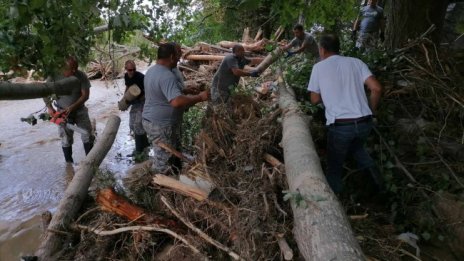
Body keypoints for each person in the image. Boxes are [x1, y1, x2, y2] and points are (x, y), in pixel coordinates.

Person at [307, 33, 384, 195]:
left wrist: (328, 95)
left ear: (322, 50)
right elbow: (376, 88)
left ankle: (336, 203)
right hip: (364, 123)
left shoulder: (318, 68)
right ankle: (380, 188)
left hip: (341, 126)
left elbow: (314, 99)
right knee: (357, 148)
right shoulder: (356, 62)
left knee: (334, 165)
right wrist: (372, 110)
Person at [142, 42, 209, 174]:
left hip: (154, 121)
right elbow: (177, 102)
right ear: (172, 57)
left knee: (172, 153)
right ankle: (161, 186)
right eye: (178, 54)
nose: (180, 57)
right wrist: (200, 97)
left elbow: (162, 91)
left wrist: (183, 89)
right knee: (163, 162)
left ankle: (175, 176)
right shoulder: (166, 75)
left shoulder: (152, 71)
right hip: (161, 125)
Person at [44, 57, 94, 163]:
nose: (74, 71)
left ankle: (91, 162)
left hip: (80, 110)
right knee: (65, 139)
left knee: (87, 134)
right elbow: (44, 92)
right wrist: (50, 108)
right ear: (63, 67)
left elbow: (85, 96)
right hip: (62, 112)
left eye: (76, 68)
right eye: (72, 68)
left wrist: (72, 107)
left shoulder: (81, 75)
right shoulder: (53, 77)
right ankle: (69, 165)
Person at [123, 60, 149, 156]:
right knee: (131, 125)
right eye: (130, 70)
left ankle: (139, 150)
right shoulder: (126, 76)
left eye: (134, 69)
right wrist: (124, 99)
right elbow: (127, 87)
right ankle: (145, 145)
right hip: (135, 102)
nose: (132, 71)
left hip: (143, 101)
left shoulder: (141, 77)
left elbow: (149, 91)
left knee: (138, 124)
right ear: (126, 69)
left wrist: (144, 104)